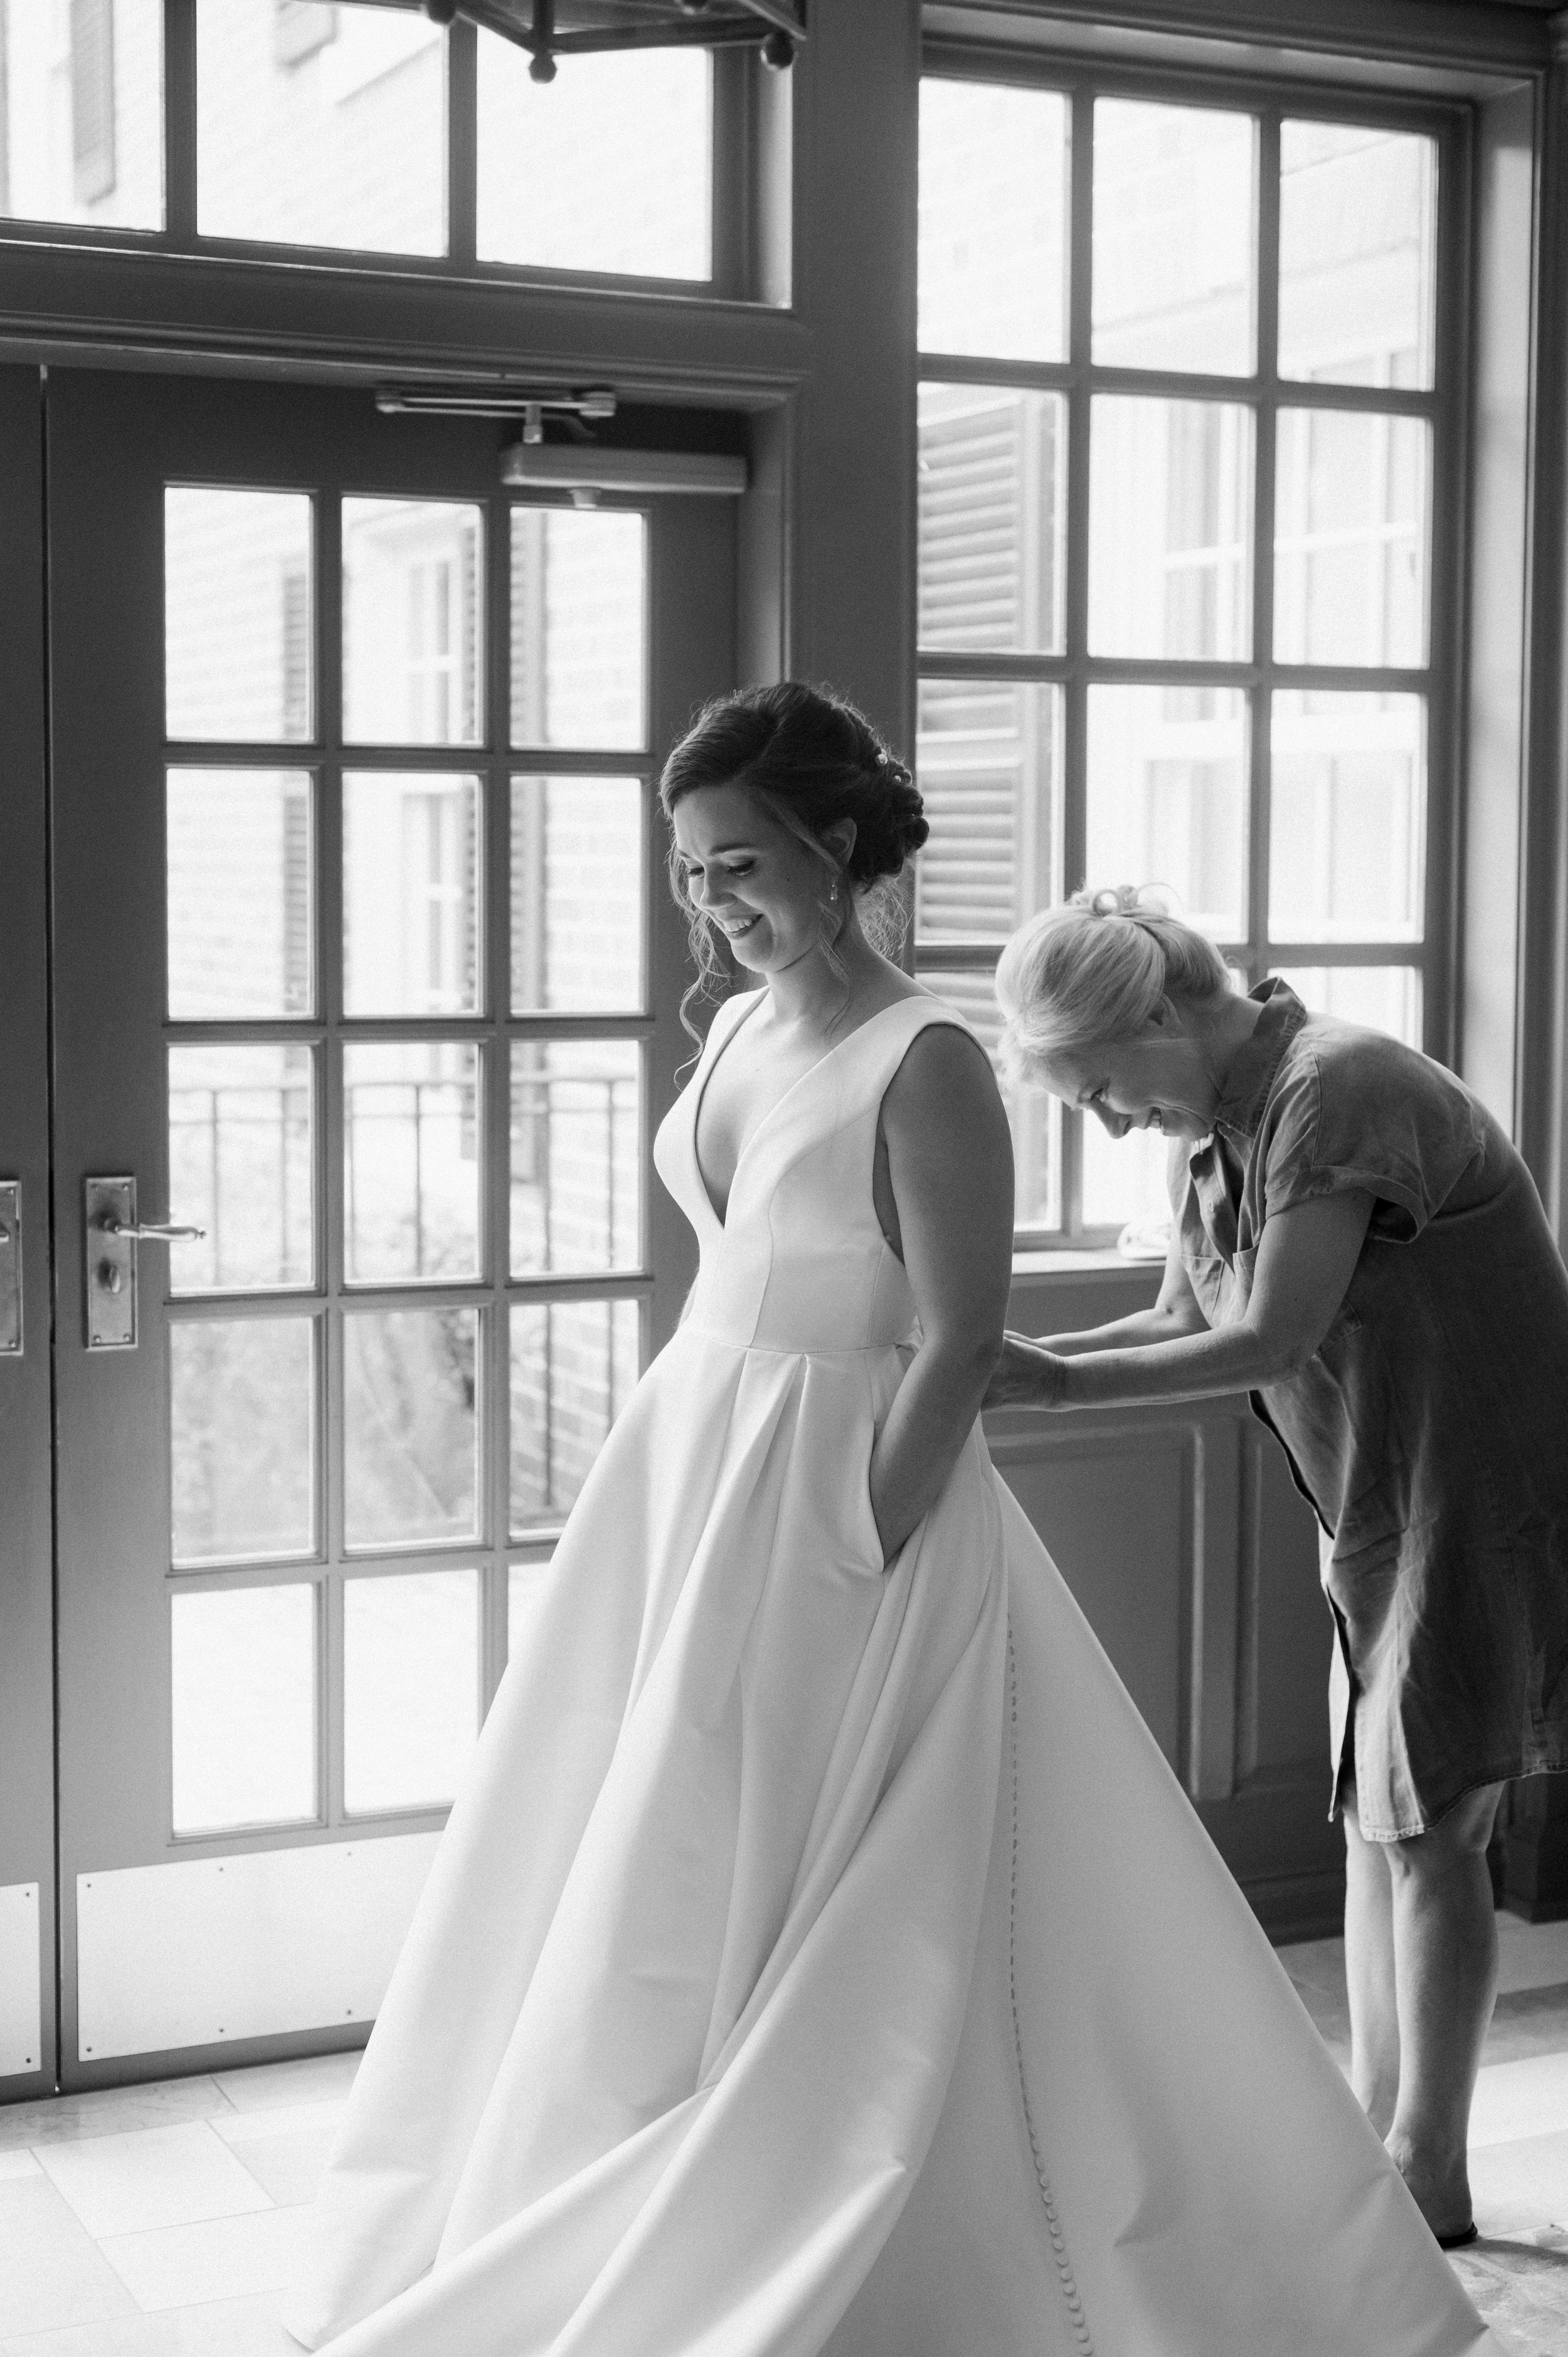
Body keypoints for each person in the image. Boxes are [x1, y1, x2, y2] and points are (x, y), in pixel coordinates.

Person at [283, 694, 1503, 2357]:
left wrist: (862, 1531)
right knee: (648, 1847)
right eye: (692, 869)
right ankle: (592, 2170)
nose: (714, 897)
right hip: (696, 1474)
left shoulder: (926, 1057)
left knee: (855, 1875)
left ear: (840, 848)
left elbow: (955, 1336)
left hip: (839, 1497)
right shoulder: (731, 1027)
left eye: (745, 863)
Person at [987, 884, 1568, 2253]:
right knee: (1384, 1823)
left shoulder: (1335, 1086)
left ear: (1153, 1012)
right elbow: (1181, 1312)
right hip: (1373, 1500)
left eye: (1102, 1090)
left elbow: (1264, 1336)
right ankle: (1377, 2138)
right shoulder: (1218, 1133)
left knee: (1429, 1832)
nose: (1110, 1122)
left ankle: (1424, 2169)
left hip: (1474, 1492)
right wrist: (992, 1362)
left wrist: (1048, 1387)